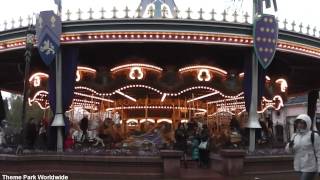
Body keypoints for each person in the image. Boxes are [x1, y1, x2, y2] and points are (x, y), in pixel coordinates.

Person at [285, 114, 320, 180]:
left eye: (302, 123)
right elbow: (289, 151)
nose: (299, 125)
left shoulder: (313, 135)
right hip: (298, 166)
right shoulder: (295, 135)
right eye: (298, 123)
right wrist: (290, 146)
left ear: (307, 123)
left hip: (310, 167)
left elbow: (319, 152)